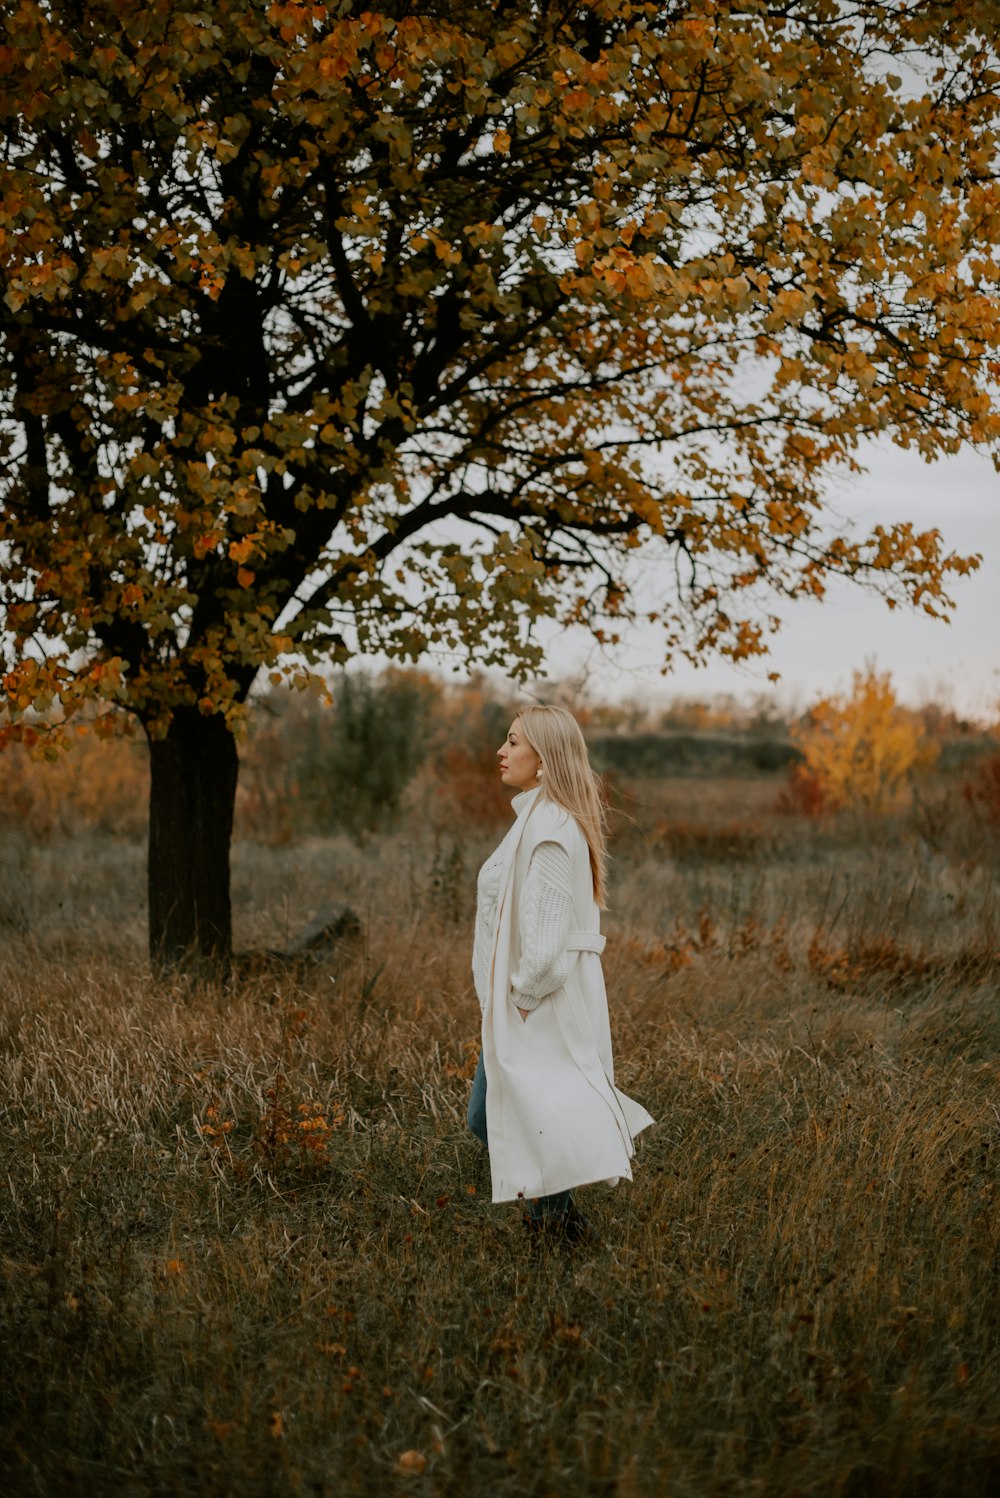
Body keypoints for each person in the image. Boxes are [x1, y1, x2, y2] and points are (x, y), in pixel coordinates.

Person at [468, 704, 653, 1241]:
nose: (501, 752)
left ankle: (558, 1225)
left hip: (537, 1003)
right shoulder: (535, 817)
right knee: (507, 1110)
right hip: (522, 1003)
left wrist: (521, 1001)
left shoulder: (550, 827)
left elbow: (548, 939)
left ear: (544, 760)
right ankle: (556, 1223)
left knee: (493, 1115)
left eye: (512, 742)